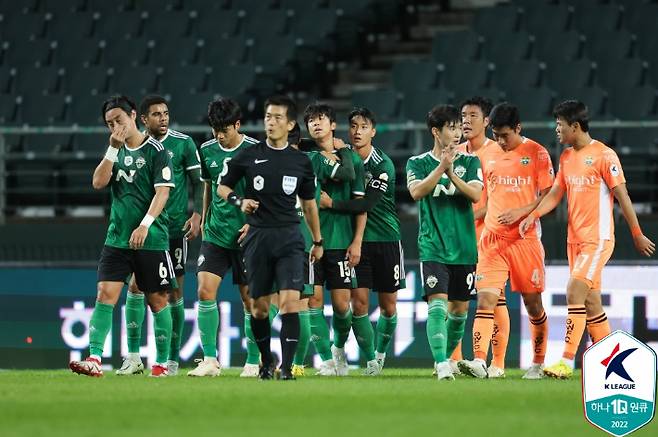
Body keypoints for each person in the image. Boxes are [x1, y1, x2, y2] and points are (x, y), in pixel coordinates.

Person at [519, 100, 655, 379]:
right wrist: (534, 215)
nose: (557, 130)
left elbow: (623, 196)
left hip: (597, 240)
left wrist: (637, 233)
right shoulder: (567, 157)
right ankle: (611, 363)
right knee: (591, 303)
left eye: (560, 125)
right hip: (574, 242)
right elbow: (556, 193)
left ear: (575, 126)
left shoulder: (605, 155)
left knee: (574, 292)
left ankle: (566, 362)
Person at [218, 95, 323, 380]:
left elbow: (310, 204)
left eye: (277, 117)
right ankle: (266, 359)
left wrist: (317, 240)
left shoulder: (300, 161)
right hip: (258, 238)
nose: (271, 122)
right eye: (267, 117)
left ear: (290, 124)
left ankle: (287, 368)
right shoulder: (250, 155)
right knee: (259, 308)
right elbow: (223, 187)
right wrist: (239, 201)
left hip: (290, 237)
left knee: (290, 303)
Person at [69, 95, 175, 377]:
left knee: (157, 301)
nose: (115, 126)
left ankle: (162, 364)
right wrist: (112, 149)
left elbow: (162, 191)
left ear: (132, 116)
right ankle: (94, 358)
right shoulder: (113, 151)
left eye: (119, 120)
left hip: (151, 239)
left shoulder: (156, 150)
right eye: (109, 123)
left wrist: (145, 224)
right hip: (117, 238)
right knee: (105, 294)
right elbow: (98, 183)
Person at [458, 102, 553, 380]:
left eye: (505, 135)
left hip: (525, 241)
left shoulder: (537, 153)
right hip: (492, 240)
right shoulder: (488, 156)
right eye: (496, 135)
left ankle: (537, 362)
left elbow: (551, 194)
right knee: (486, 299)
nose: (500, 141)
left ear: (518, 128)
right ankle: (479, 361)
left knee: (533, 305)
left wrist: (525, 212)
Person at [117, 95, 203, 376]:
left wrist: (197, 214)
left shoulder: (183, 144)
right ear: (143, 119)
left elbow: (199, 183)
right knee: (135, 287)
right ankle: (133, 356)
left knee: (172, 293)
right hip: (144, 230)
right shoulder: (134, 147)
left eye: (166, 113)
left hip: (174, 230)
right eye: (156, 114)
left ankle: (171, 360)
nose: (163, 118)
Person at [320, 107, 404, 375]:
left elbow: (366, 203)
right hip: (355, 241)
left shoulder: (383, 164)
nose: (357, 132)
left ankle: (380, 353)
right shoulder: (345, 162)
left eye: (364, 127)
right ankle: (346, 354)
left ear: (373, 131)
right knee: (358, 304)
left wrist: (331, 203)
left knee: (389, 307)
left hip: (387, 239)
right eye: (353, 126)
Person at [407, 105, 483, 380]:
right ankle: (441, 363)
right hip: (433, 246)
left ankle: (446, 358)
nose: (457, 131)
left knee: (460, 310)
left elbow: (475, 195)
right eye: (451, 127)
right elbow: (416, 192)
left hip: (464, 247)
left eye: (458, 126)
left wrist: (451, 172)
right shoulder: (417, 163)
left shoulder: (471, 162)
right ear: (436, 132)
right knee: (437, 304)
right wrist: (441, 167)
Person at [187, 98, 259, 377]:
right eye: (215, 128)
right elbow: (209, 186)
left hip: (246, 234)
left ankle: (253, 361)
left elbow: (265, 193)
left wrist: (254, 223)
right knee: (204, 290)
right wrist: (203, 218)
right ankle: (209, 360)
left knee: (249, 299)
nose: (219, 134)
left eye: (225, 129)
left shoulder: (255, 150)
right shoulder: (206, 150)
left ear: (237, 125)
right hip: (216, 232)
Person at [303, 103, 367, 376]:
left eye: (321, 119)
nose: (316, 124)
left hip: (341, 239)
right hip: (312, 241)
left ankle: (339, 348)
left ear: (332, 125)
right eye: (311, 121)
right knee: (313, 301)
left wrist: (357, 241)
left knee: (342, 305)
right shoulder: (309, 159)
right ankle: (327, 361)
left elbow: (359, 199)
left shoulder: (352, 159)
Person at [447, 96, 500, 373]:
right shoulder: (456, 152)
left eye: (473, 116)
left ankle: (496, 363)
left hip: (489, 234)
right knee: (455, 297)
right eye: (463, 116)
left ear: (487, 121)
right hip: (461, 235)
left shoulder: (496, 152)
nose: (466, 121)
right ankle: (454, 360)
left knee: (491, 297)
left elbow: (498, 199)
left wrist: (466, 218)